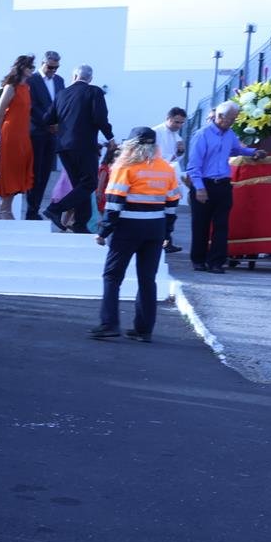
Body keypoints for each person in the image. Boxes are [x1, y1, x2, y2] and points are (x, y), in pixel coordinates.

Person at [91, 128, 180, 341]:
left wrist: (104, 231)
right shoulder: (166, 168)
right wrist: (167, 232)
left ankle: (110, 324)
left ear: (131, 145)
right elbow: (172, 202)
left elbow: (114, 202)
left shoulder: (125, 166)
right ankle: (144, 330)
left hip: (128, 228)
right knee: (147, 278)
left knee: (112, 276)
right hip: (156, 228)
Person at [186, 100, 270, 272]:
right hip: (204, 184)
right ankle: (199, 259)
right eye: (230, 119)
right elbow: (194, 165)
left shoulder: (229, 134)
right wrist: (199, 188)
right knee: (201, 224)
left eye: (234, 119)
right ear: (220, 116)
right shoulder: (202, 135)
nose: (232, 122)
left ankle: (216, 262)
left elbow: (236, 150)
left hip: (223, 185)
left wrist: (253, 152)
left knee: (221, 224)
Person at [46, 65, 112, 233]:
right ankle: (55, 209)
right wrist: (110, 137)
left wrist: (57, 129)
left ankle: (80, 225)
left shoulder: (61, 94)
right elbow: (100, 118)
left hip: (63, 147)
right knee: (90, 183)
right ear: (90, 78)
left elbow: (47, 118)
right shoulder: (94, 92)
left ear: (74, 76)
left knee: (80, 186)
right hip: (84, 146)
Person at [0, 56, 37, 219]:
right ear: (22, 68)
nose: (32, 69)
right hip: (11, 133)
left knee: (19, 170)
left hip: (23, 134)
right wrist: (2, 137)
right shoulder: (11, 87)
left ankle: (4, 208)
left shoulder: (26, 87)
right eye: (30, 66)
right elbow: (0, 113)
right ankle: (4, 208)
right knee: (11, 170)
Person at [25, 51, 66, 219]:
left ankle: (35, 209)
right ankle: (31, 209)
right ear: (43, 63)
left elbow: (61, 104)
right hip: (37, 132)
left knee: (46, 172)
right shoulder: (32, 80)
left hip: (52, 134)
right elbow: (31, 107)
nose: (53, 71)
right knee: (36, 171)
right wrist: (48, 123)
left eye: (56, 68)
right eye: (50, 67)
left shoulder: (59, 80)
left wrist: (58, 125)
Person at [156, 107, 188, 251]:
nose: (179, 126)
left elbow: (177, 159)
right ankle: (160, 241)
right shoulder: (155, 132)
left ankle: (167, 241)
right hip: (156, 178)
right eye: (176, 122)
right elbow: (152, 156)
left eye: (181, 123)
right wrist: (171, 157)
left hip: (171, 178)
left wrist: (181, 152)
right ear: (168, 118)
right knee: (159, 212)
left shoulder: (178, 137)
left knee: (170, 212)